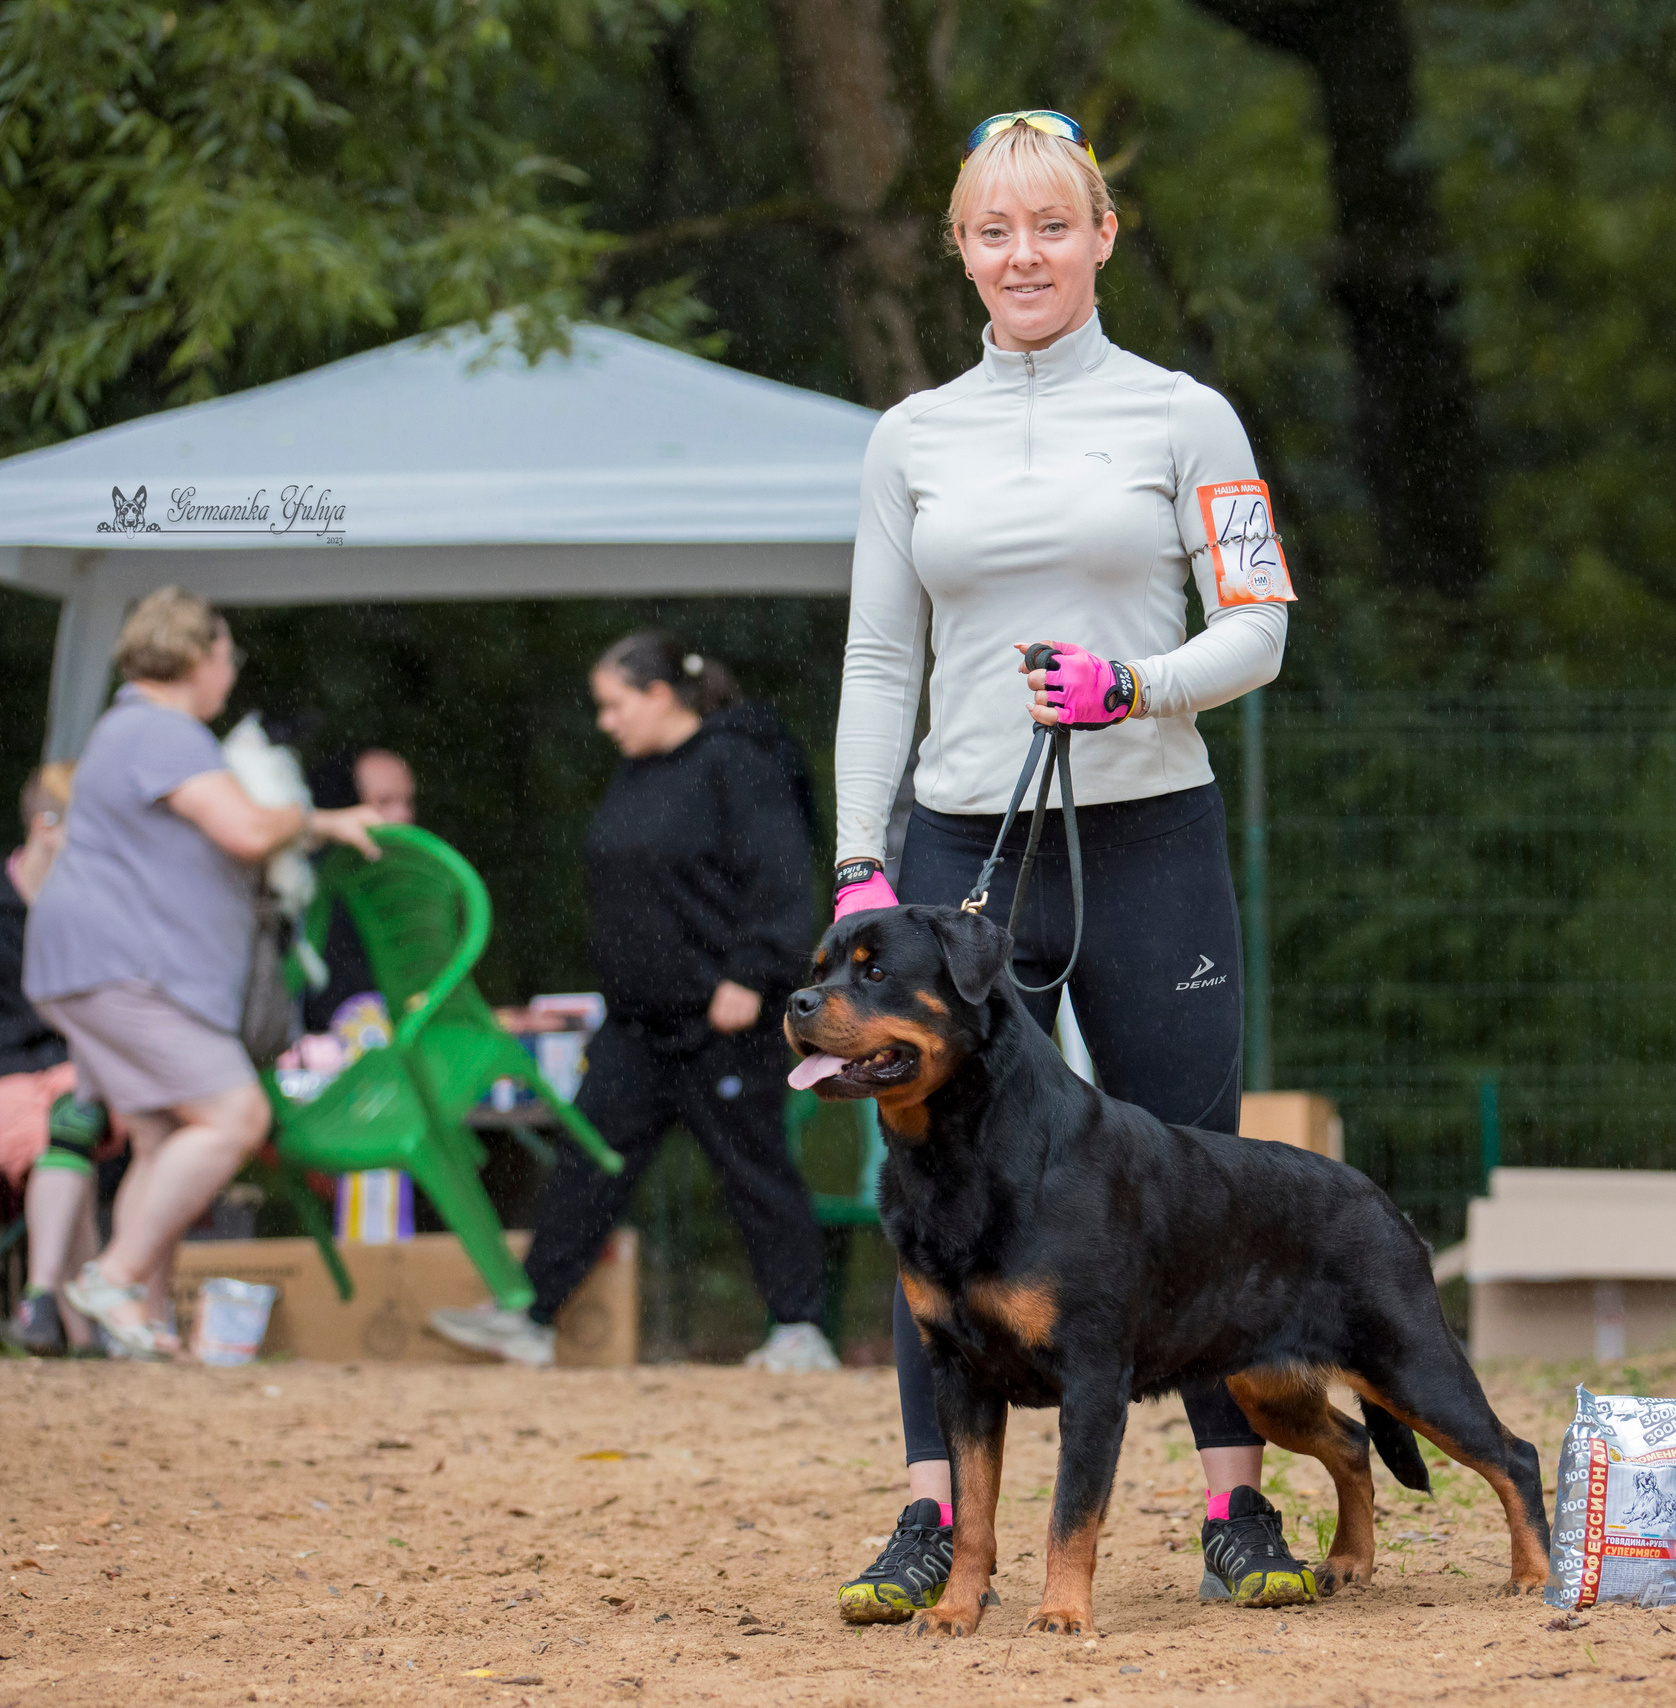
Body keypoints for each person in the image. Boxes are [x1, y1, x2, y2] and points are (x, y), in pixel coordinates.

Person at [826, 111, 1313, 1622]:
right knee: (926, 1173)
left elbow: (1261, 628)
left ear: (1104, 237)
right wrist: (859, 864)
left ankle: (1239, 1509)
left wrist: (1137, 684)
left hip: (1148, 823)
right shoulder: (909, 434)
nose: (1021, 256)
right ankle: (928, 1518)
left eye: (1052, 227)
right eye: (992, 231)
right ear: (960, 249)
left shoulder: (1188, 415)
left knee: (1192, 1161)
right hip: (963, 843)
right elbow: (878, 659)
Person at [429, 634, 836, 1373]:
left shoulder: (738, 763)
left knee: (755, 1168)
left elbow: (779, 878)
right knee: (589, 1161)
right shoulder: (635, 775)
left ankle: (800, 1330)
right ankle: (531, 1317)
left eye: (614, 704)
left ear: (659, 695)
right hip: (637, 1024)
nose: (605, 721)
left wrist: (750, 975)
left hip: (722, 1017)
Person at [23, 587, 382, 1359]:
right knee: (233, 1117)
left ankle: (143, 1326)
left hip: (91, 964)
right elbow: (248, 830)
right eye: (226, 654)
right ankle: (111, 1278)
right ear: (193, 656)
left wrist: (312, 826)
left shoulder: (128, 730)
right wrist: (309, 815)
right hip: (119, 969)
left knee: (162, 1138)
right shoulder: (164, 730)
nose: (231, 671)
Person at [0, 763, 98, 1356]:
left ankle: (41, 1301)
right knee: (64, 1141)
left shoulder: (84, 910)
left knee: (71, 1119)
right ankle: (82, 1327)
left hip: (68, 1076)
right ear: (45, 826)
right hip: (6, 1079)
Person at [299, 746, 418, 1032]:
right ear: (343, 803)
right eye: (384, 802)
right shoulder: (307, 885)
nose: (403, 815)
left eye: (408, 801)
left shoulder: (416, 880)